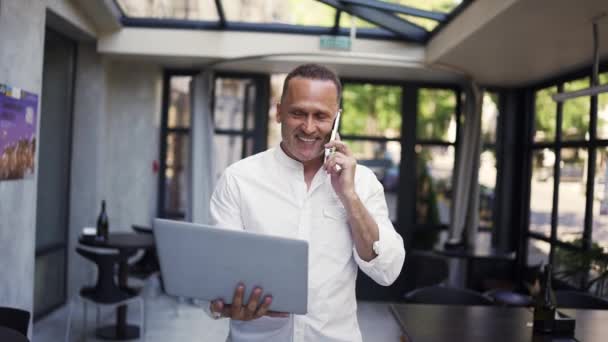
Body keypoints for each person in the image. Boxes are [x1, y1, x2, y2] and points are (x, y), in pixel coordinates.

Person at [208, 64, 405, 342]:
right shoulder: (238, 179)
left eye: (321, 116)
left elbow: (388, 270)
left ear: (336, 118)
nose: (309, 127)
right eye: (298, 113)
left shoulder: (362, 183)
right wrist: (223, 307)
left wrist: (349, 197)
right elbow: (215, 276)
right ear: (279, 112)